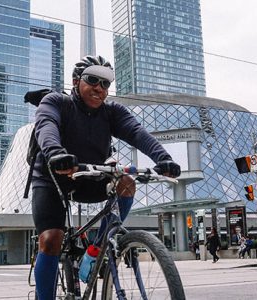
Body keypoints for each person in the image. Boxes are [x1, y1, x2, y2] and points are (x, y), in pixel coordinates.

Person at [31, 55, 181, 300]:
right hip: (53, 176)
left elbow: (136, 132)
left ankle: (96, 249)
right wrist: (56, 154)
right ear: (76, 81)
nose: (99, 88)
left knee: (126, 183)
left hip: (91, 174)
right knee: (51, 239)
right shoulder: (57, 102)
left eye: (105, 84)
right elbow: (45, 125)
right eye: (93, 80)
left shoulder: (112, 112)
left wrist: (162, 158)